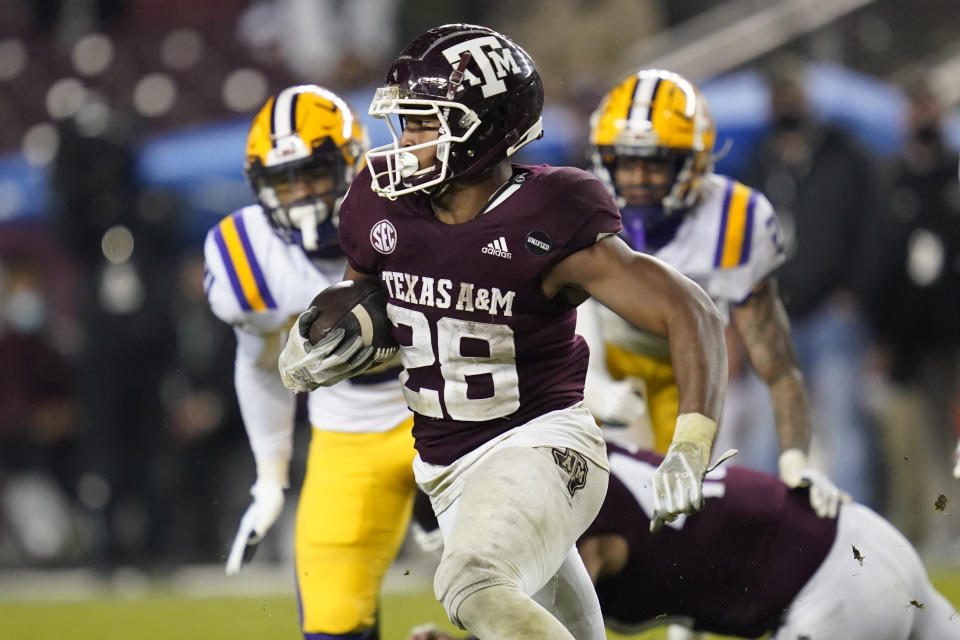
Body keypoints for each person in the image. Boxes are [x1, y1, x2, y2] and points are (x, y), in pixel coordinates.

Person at [278, 24, 728, 640]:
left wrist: (692, 443)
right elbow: (369, 306)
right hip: (445, 465)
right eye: (402, 122)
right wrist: (327, 344)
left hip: (544, 445)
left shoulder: (549, 213)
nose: (404, 142)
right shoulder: (380, 204)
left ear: (484, 130)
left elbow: (690, 311)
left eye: (424, 123)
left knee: (470, 582)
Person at [581, 68, 847, 520]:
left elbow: (778, 367)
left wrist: (796, 462)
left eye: (655, 162)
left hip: (696, 375)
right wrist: (589, 383)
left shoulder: (735, 221)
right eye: (626, 161)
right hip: (594, 367)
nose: (638, 177)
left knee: (691, 516)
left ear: (693, 161)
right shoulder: (581, 206)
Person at [203, 84, 415, 639]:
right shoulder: (245, 258)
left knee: (501, 589)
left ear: (353, 163)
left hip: (458, 409)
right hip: (351, 429)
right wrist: (270, 478)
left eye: (314, 174)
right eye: (284, 181)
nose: (301, 196)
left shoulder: (417, 204)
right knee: (332, 618)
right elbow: (258, 363)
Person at [408, 437, 960, 640]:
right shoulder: (565, 459)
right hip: (863, 540)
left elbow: (550, 625)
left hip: (833, 592)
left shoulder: (563, 515)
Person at [740, 57, 887, 507]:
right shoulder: (761, 162)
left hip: (833, 313)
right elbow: (741, 237)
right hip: (776, 314)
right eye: (778, 95)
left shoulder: (845, 156)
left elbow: (873, 229)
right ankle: (765, 523)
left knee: (844, 425)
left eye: (792, 94)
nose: (786, 103)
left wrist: (855, 294)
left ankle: (856, 529)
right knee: (769, 427)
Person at [868, 75, 960, 555]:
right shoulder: (892, 179)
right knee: (924, 433)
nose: (922, 117)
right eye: (915, 107)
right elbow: (882, 259)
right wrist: (883, 334)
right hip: (914, 334)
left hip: (956, 325)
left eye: (928, 106)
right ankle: (942, 523)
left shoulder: (954, 171)